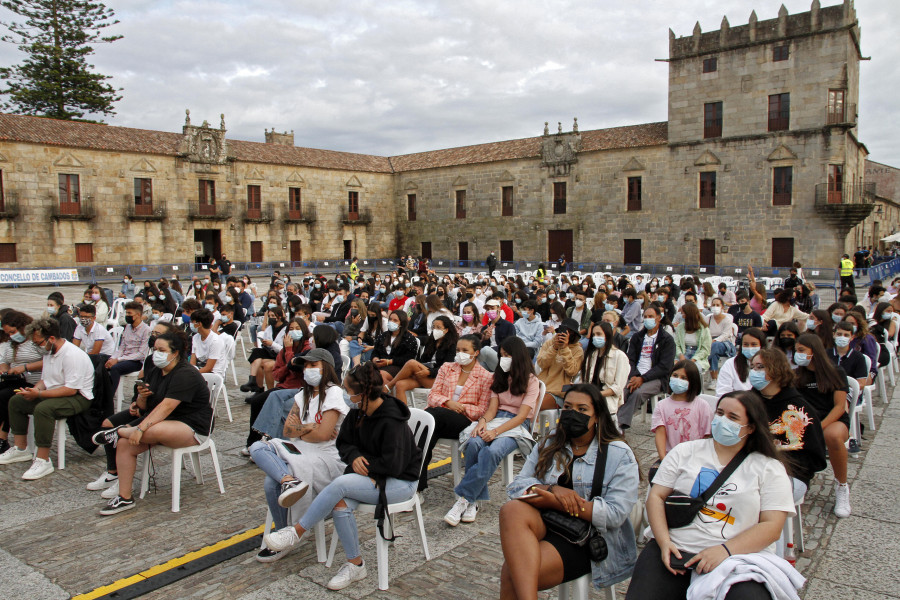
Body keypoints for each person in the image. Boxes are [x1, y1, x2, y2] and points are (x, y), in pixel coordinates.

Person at [263, 361, 422, 591]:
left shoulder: (391, 421)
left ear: (364, 393)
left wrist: (367, 468)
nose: (347, 397)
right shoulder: (359, 413)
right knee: (340, 502)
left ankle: (297, 532)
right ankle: (355, 564)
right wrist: (355, 456)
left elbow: (394, 464)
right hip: (372, 475)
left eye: (349, 392)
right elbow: (344, 443)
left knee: (341, 484)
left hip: (400, 481)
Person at [626, 391, 799, 600]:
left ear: (751, 427)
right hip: (676, 547)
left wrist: (725, 551)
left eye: (733, 417)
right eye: (719, 413)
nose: (722, 420)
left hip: (737, 556)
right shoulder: (684, 451)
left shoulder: (769, 468)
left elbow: (772, 526)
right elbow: (656, 497)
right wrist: (664, 542)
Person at [501, 384, 639, 597]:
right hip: (548, 523)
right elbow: (518, 485)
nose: (573, 413)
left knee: (513, 570)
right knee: (511, 510)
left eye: (582, 409)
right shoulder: (551, 441)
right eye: (567, 407)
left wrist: (557, 503)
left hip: (588, 537)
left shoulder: (618, 454)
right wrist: (551, 489)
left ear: (597, 416)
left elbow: (614, 514)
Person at [91, 329, 213, 514]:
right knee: (124, 444)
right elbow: (146, 407)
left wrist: (139, 429)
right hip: (161, 422)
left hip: (191, 427)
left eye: (162, 350)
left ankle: (117, 432)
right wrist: (141, 398)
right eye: (155, 349)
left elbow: (167, 407)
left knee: (147, 430)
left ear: (176, 353)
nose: (156, 353)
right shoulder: (156, 370)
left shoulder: (185, 373)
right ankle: (124, 497)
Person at [249, 349, 348, 562]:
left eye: (314, 365)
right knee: (257, 448)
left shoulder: (333, 393)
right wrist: (310, 427)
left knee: (269, 483)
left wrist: (303, 430)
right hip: (301, 449)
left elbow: (322, 436)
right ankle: (288, 480)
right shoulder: (303, 394)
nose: (308, 370)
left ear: (326, 368)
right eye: (306, 366)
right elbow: (287, 430)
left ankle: (286, 533)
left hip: (326, 457)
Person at [445, 336, 540, 526]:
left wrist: (495, 432)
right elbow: (492, 409)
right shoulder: (500, 377)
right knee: (473, 442)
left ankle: (464, 498)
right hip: (496, 419)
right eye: (501, 355)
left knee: (492, 450)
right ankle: (473, 501)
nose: (503, 359)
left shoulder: (531, 381)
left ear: (518, 356)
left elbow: (522, 417)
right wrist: (482, 422)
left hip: (516, 426)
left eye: (507, 355)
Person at [0, 317, 94, 480]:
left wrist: (39, 394)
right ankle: (21, 448)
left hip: (78, 397)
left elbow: (71, 390)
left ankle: (43, 459)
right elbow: (46, 380)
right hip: (56, 392)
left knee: (43, 409)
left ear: (51, 338)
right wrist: (34, 390)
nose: (37, 347)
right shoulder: (50, 352)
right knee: (16, 401)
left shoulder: (72, 355)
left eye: (38, 343)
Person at [748, 349, 826, 509]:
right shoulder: (748, 402)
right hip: (750, 469)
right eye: (753, 367)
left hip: (789, 475)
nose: (754, 372)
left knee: (755, 501)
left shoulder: (799, 409)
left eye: (760, 367)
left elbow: (813, 458)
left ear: (776, 370)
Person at [421, 334, 493, 491]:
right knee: (427, 432)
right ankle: (418, 483)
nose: (460, 353)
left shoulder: (485, 376)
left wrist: (460, 407)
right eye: (458, 349)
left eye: (465, 350)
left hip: (463, 419)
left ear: (476, 352)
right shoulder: (447, 368)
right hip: (439, 416)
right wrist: (448, 403)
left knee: (429, 420)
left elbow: (482, 409)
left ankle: (413, 483)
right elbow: (433, 395)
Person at [793, 333, 852, 517]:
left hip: (832, 419)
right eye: (796, 351)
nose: (798, 354)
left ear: (814, 351)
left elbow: (840, 407)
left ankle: (842, 486)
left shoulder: (835, 372)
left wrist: (818, 426)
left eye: (802, 350)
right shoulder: (796, 375)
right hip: (806, 419)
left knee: (832, 437)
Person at [619, 305, 676, 430]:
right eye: (645, 317)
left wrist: (643, 378)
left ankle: (619, 425)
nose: (647, 319)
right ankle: (612, 420)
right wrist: (635, 375)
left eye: (651, 316)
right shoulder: (637, 337)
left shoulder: (667, 340)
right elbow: (630, 360)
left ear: (659, 318)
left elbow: (664, 367)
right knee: (621, 390)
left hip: (656, 378)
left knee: (637, 393)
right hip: (636, 374)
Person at [0, 310, 44, 455]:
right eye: (9, 333)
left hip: (35, 382)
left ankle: (2, 438)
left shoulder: (36, 340)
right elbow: (5, 361)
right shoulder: (12, 343)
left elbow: (49, 362)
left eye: (13, 332)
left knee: (5, 396)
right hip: (15, 379)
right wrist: (5, 370)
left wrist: (24, 367)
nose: (11, 336)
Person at [384, 315, 457, 399]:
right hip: (425, 374)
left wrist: (429, 372)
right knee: (400, 385)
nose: (435, 330)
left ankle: (389, 386)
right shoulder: (431, 341)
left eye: (438, 327)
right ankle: (403, 411)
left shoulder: (452, 346)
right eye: (433, 327)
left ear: (446, 330)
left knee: (412, 362)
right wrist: (420, 371)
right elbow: (423, 360)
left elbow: (446, 368)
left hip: (438, 379)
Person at [651, 360, 712, 461]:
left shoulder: (702, 406)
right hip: (670, 457)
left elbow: (706, 436)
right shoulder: (661, 405)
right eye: (675, 375)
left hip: (695, 458)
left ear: (693, 381)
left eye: (684, 378)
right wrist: (664, 460)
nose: (678, 380)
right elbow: (660, 434)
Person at [580, 322, 630, 427]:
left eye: (599, 334)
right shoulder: (591, 356)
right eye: (593, 335)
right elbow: (584, 380)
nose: (595, 338)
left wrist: (597, 394)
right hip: (588, 399)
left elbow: (617, 388)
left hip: (607, 401)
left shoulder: (619, 356)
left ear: (607, 335)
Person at [536, 318, 584, 411]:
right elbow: (542, 364)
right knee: (523, 403)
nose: (566, 335)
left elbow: (572, 371)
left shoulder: (578, 350)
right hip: (541, 386)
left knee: (534, 406)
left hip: (558, 393)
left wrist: (565, 348)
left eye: (570, 332)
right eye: (564, 331)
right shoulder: (550, 343)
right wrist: (554, 348)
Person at [105, 302, 151, 393]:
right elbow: (122, 347)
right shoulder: (128, 327)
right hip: (124, 358)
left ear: (138, 315)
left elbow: (141, 354)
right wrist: (113, 358)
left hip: (136, 361)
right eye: (126, 313)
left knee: (115, 368)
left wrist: (118, 360)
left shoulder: (146, 330)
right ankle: (100, 394)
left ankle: (109, 397)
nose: (127, 315)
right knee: (102, 362)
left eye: (129, 313)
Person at [241, 306, 287, 393]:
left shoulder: (286, 329)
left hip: (281, 354)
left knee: (266, 365)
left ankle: (268, 391)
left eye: (273, 316)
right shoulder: (270, 328)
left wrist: (272, 344)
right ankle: (258, 389)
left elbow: (284, 349)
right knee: (256, 354)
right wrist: (265, 343)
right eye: (269, 316)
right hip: (270, 352)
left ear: (279, 317)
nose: (271, 318)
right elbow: (265, 336)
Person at [715, 327, 766, 397]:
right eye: (746, 344)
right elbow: (722, 392)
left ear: (761, 346)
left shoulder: (770, 363)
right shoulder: (730, 364)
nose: (749, 347)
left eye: (754, 344)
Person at [372, 309, 419, 381]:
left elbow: (408, 359)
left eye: (395, 320)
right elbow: (375, 351)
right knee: (362, 372)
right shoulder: (383, 336)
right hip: (380, 364)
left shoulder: (409, 339)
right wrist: (375, 359)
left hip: (398, 367)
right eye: (390, 319)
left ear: (402, 323)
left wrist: (390, 361)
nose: (391, 322)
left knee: (380, 375)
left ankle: (385, 391)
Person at [189, 308, 229, 380]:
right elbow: (192, 360)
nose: (191, 324)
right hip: (198, 371)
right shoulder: (195, 337)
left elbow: (209, 368)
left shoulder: (215, 341)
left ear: (199, 324)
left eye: (192, 322)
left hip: (213, 375)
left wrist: (191, 374)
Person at [707, 297, 736, 388]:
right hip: (710, 344)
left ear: (722, 307)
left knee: (714, 346)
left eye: (717, 305)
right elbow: (705, 332)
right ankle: (714, 379)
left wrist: (714, 340)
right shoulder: (708, 319)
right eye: (713, 305)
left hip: (725, 344)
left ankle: (705, 360)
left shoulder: (727, 320)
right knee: (714, 352)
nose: (715, 307)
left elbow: (726, 335)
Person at [674, 303, 712, 372]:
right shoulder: (680, 327)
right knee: (674, 367)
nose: (682, 316)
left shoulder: (704, 329)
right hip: (683, 353)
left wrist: (693, 359)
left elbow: (705, 349)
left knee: (692, 369)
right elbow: (677, 344)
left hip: (698, 356)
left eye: (683, 314)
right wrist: (680, 355)